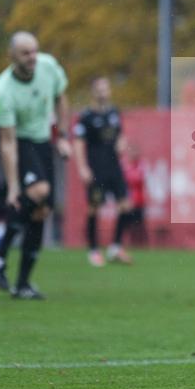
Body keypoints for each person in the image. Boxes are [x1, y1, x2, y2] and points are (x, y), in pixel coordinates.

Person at [0, 31, 71, 299]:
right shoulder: (3, 91)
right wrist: (13, 187)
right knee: (39, 191)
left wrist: (64, 136)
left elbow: (61, 96)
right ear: (12, 56)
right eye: (25, 53)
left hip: (43, 139)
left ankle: (22, 284)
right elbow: (7, 143)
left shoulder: (48, 66)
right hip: (18, 139)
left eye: (34, 51)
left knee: (40, 212)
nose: (32, 57)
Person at [72, 77, 133, 266]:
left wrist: (122, 142)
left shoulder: (114, 113)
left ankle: (115, 248)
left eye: (105, 89)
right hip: (96, 169)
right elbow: (78, 143)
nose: (103, 93)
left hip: (114, 168)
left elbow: (120, 135)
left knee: (126, 206)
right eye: (99, 89)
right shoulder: (86, 117)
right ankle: (93, 250)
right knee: (94, 208)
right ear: (93, 92)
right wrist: (82, 167)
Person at [120, 140, 149, 247]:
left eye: (135, 151)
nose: (134, 154)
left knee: (139, 224)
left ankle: (141, 245)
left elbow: (139, 178)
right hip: (127, 201)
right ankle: (122, 244)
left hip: (139, 200)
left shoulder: (142, 164)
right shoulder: (125, 164)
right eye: (132, 151)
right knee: (125, 224)